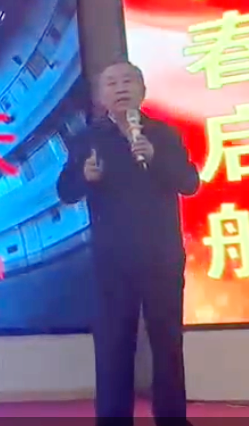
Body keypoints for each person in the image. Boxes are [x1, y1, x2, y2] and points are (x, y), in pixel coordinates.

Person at [58, 61, 200, 424]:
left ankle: (172, 418)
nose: (120, 87)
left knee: (168, 342)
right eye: (111, 83)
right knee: (113, 344)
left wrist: (155, 159)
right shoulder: (87, 140)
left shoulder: (164, 135)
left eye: (128, 81)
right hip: (112, 260)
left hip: (162, 256)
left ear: (143, 90)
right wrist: (85, 176)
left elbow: (189, 183)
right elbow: (65, 191)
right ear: (101, 96)